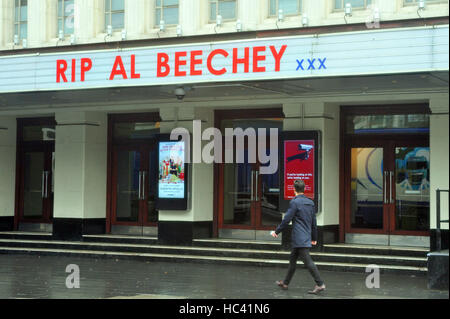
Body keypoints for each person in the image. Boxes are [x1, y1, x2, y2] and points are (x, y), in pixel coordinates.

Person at [271, 179, 326, 294]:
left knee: (308, 262)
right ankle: (285, 283)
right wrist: (314, 238)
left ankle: (320, 284)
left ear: (294, 189)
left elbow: (286, 219)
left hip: (298, 238)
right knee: (293, 260)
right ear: (304, 189)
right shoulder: (310, 202)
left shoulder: (294, 202)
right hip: (305, 236)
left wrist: (276, 231)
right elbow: (313, 223)